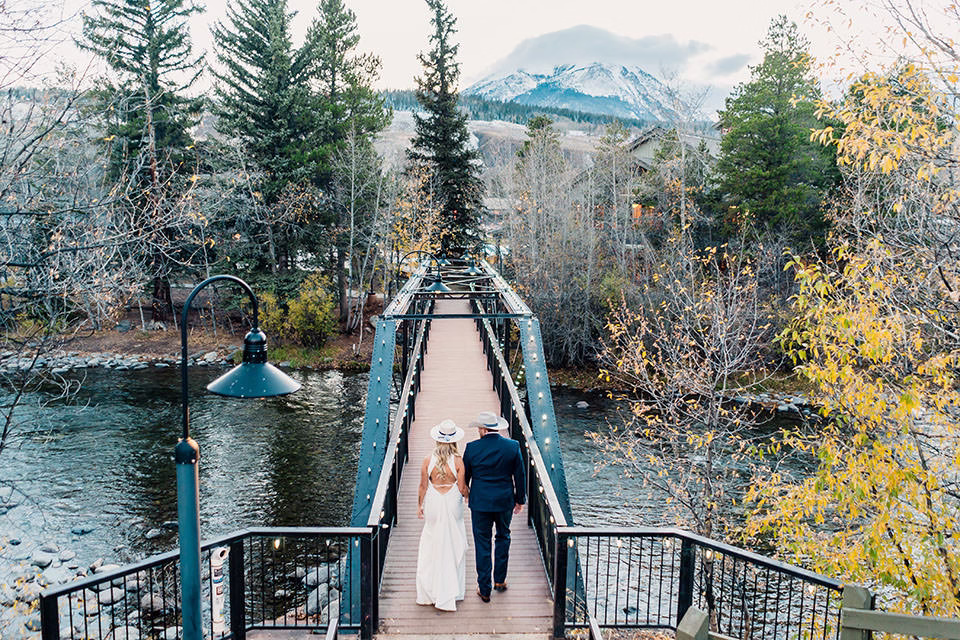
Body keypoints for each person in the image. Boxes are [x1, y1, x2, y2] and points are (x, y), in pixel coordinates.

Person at [462, 411, 526, 602]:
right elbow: (520, 476)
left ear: (482, 429)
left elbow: (466, 475)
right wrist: (520, 500)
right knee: (503, 536)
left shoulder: (472, 448)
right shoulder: (512, 446)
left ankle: (484, 588)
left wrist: (467, 494)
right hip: (504, 500)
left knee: (482, 543)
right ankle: (500, 580)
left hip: (480, 502)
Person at [415, 418, 468, 611]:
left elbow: (423, 486)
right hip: (452, 501)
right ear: (454, 440)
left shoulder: (428, 459)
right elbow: (461, 488)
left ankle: (429, 592)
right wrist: (468, 495)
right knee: (454, 543)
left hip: (434, 502)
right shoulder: (459, 461)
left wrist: (420, 505)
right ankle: (453, 590)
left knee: (431, 543)